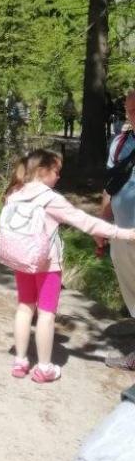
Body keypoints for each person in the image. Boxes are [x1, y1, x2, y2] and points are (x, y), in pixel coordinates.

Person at [2, 149, 134, 382]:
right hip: (47, 265)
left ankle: (20, 360)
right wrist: (124, 233)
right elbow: (86, 222)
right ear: (42, 171)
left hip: (21, 260)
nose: (59, 177)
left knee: (24, 308)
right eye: (56, 171)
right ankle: (44, 367)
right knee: (46, 314)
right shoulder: (49, 198)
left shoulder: (15, 192)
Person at [101, 89, 135, 369]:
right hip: (121, 234)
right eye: (128, 111)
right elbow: (110, 188)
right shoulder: (120, 142)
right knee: (132, 293)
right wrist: (101, 226)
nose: (131, 116)